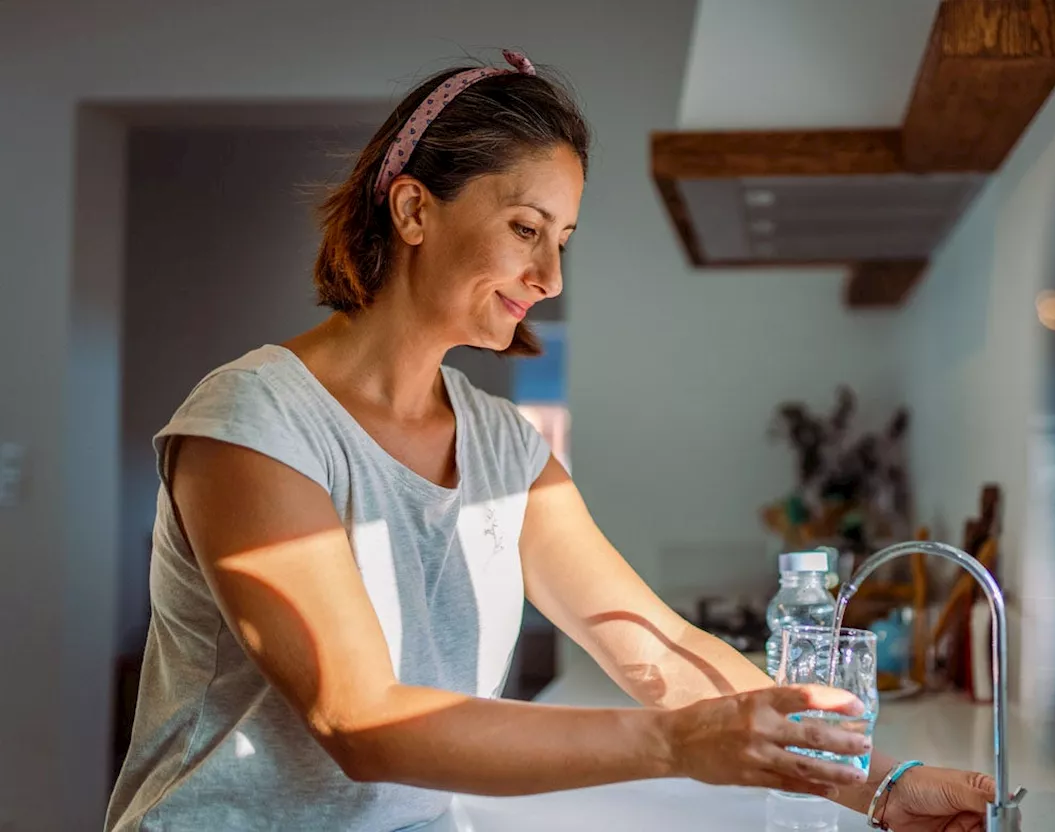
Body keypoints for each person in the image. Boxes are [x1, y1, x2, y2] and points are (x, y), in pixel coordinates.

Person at [105, 50, 997, 832]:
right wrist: (678, 744)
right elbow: (359, 721)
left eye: (563, 239)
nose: (550, 275)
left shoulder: (501, 446)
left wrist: (882, 787)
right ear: (414, 210)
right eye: (526, 230)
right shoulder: (254, 420)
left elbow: (651, 646)